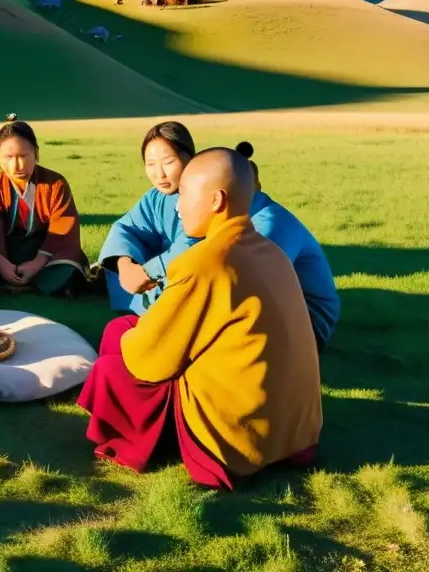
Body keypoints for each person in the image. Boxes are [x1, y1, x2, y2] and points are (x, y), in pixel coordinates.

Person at [78, 146, 322, 488]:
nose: (177, 206)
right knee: (121, 328)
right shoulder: (268, 250)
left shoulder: (207, 261)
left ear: (216, 201)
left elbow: (149, 361)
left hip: (239, 434)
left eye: (185, 194)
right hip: (293, 426)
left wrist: (131, 340)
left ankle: (144, 441)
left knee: (110, 368)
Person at [166, 142, 340, 350]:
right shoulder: (235, 219)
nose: (178, 206)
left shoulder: (268, 226)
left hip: (308, 322)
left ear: (219, 196)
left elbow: (246, 288)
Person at [0, 115, 88, 295]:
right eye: (8, 157)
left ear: (36, 154)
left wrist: (38, 261)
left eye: (24, 156)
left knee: (66, 268)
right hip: (7, 251)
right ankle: (20, 279)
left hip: (46, 252)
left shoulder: (55, 183)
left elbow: (64, 228)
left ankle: (15, 283)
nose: (17, 165)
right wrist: (0, 261)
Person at [97, 121, 196, 313]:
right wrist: (124, 264)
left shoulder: (203, 194)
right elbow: (126, 229)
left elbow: (194, 244)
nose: (160, 174)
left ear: (190, 158)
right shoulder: (155, 197)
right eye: (151, 164)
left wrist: (147, 272)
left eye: (168, 162)